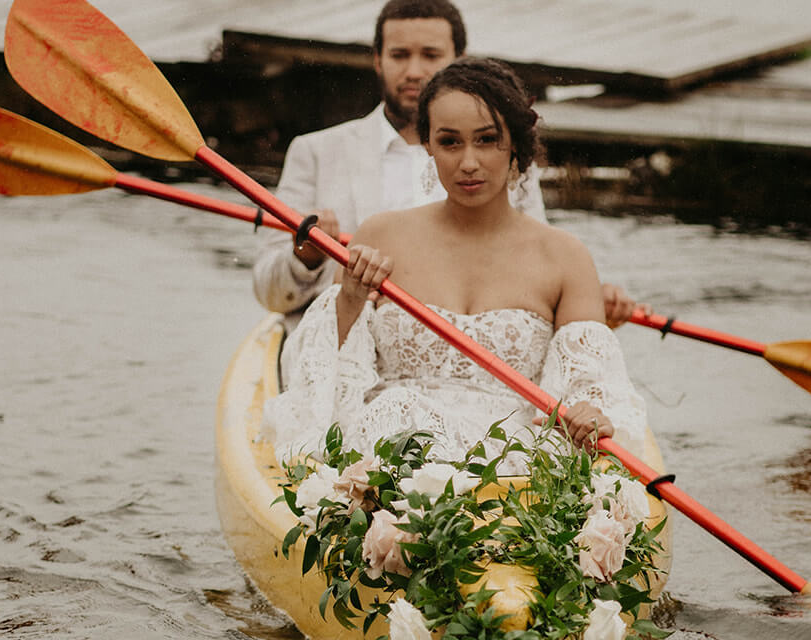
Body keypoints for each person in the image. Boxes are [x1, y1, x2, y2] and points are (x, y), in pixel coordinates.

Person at [262, 59, 648, 474]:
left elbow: (589, 385)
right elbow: (318, 382)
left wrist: (588, 413)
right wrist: (351, 298)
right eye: (450, 142)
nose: (468, 162)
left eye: (486, 141)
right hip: (392, 460)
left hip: (516, 467)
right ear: (426, 145)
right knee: (397, 411)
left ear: (515, 144)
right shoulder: (379, 235)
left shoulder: (566, 256)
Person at [251, 0, 634, 327]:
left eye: (430, 55)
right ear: (377, 60)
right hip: (346, 343)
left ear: (459, 59)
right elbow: (269, 294)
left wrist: (585, 303)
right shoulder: (315, 152)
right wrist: (307, 259)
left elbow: (538, 273)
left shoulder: (505, 162)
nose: (414, 71)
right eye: (400, 55)